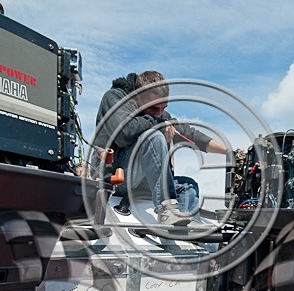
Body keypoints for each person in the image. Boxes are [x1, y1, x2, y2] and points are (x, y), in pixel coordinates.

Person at [93, 70, 226, 225]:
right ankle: (166, 209)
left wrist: (229, 153)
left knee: (188, 186)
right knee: (153, 137)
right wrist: (160, 127)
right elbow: (124, 132)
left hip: (145, 184)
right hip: (117, 179)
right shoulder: (114, 98)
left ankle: (188, 225)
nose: (159, 113)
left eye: (164, 107)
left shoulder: (158, 115)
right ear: (137, 96)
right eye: (154, 108)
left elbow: (190, 135)